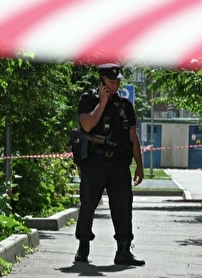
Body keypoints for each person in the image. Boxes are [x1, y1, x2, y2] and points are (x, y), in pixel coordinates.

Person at [74, 63, 145, 266]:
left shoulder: (125, 106)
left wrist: (139, 165)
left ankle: (123, 250)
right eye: (111, 82)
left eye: (117, 81)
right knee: (88, 204)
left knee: (123, 206)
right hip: (95, 162)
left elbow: (133, 136)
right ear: (102, 82)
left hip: (119, 165)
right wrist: (102, 102)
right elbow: (87, 124)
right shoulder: (89, 99)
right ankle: (83, 246)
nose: (116, 85)